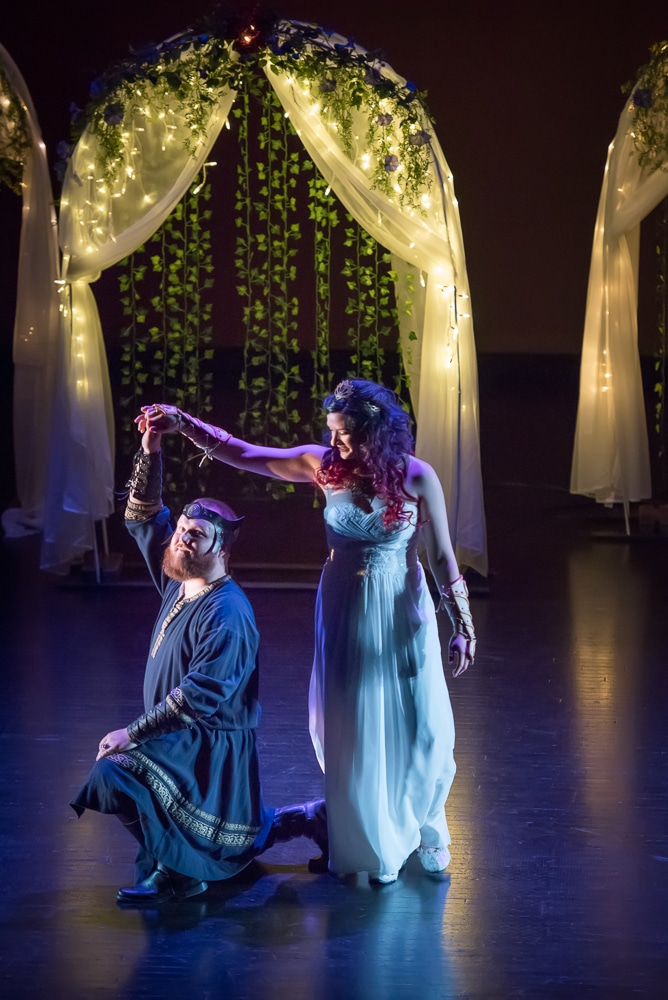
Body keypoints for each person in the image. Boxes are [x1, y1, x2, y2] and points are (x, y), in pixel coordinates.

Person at [140, 378, 476, 885]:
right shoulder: (324, 466)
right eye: (333, 432)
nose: (335, 442)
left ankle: (426, 822)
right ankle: (368, 839)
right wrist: (182, 423)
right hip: (346, 606)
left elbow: (443, 555)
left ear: (376, 434)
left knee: (424, 727)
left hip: (403, 608)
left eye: (346, 435)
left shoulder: (417, 476)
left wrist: (463, 625)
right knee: (354, 728)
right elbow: (244, 453)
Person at [70, 421, 327, 905]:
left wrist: (133, 732)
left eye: (196, 536)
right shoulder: (178, 577)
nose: (182, 539)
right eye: (183, 531)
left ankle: (178, 870)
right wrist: (150, 449)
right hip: (175, 738)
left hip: (205, 746)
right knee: (229, 836)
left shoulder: (228, 612)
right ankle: (284, 825)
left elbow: (201, 695)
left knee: (114, 774)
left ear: (222, 550)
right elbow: (145, 516)